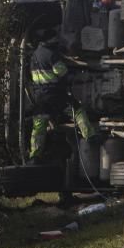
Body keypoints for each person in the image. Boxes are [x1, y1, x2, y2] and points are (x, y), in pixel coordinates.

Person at [28, 30, 98, 163]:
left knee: (38, 126)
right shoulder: (51, 54)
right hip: (56, 95)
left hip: (40, 98)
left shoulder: (34, 56)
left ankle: (34, 155)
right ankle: (90, 136)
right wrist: (73, 76)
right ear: (50, 39)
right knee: (77, 110)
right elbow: (62, 72)